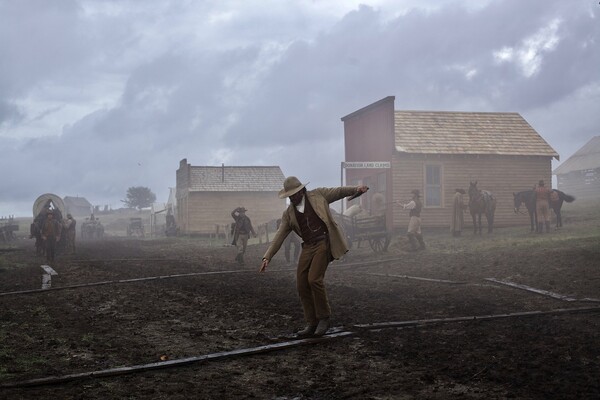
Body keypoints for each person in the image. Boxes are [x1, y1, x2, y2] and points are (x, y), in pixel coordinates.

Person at [260, 176, 369, 337]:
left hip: (323, 242)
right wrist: (267, 257)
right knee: (302, 283)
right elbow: (279, 236)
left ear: (302, 191)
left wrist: (355, 189)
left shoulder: (318, 195)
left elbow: (338, 191)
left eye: (294, 195)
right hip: (308, 246)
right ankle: (311, 322)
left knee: (314, 279)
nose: (292, 198)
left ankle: (324, 318)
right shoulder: (289, 214)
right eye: (289, 196)